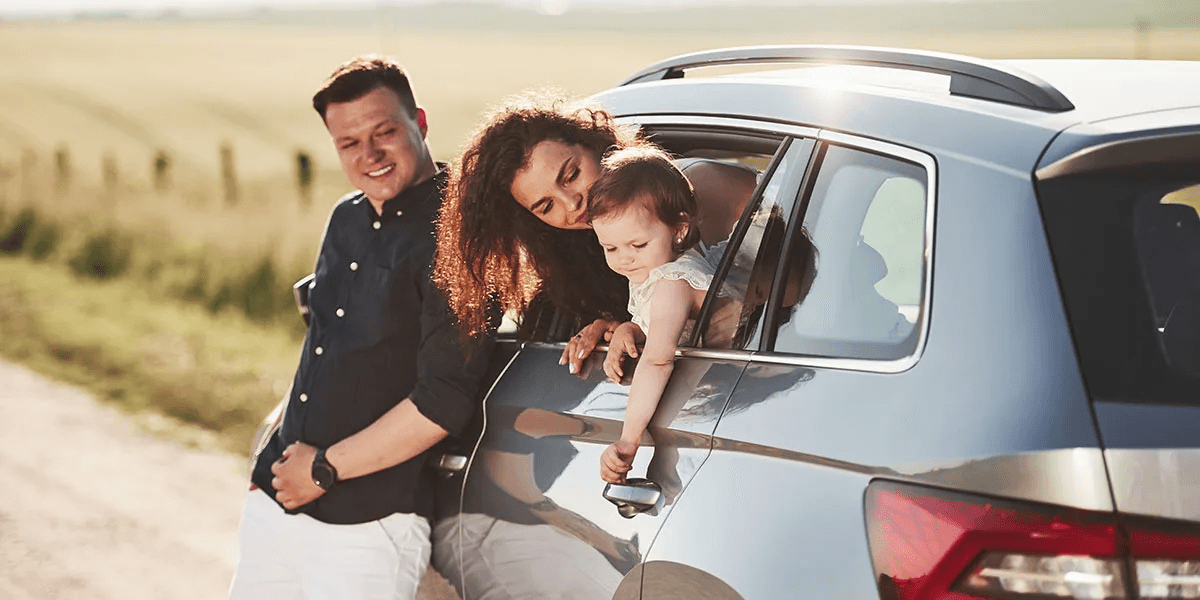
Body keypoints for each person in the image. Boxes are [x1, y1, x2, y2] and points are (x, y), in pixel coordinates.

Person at [228, 56, 493, 600]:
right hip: (275, 504)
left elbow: (444, 398)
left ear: (419, 122)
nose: (368, 155)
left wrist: (322, 469)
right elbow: (324, 345)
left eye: (384, 132)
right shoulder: (344, 218)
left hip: (369, 528)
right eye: (349, 143)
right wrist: (274, 451)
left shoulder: (460, 237)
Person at [433, 92, 757, 372]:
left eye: (571, 174)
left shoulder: (697, 185)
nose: (572, 203)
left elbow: (750, 304)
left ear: (593, 143)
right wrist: (629, 328)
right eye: (546, 207)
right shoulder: (591, 255)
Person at [582, 146, 739, 484]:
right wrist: (632, 328)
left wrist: (628, 440)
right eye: (610, 248)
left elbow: (657, 361)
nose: (624, 259)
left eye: (637, 245)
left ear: (679, 229)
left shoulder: (672, 281)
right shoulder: (655, 271)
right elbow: (663, 325)